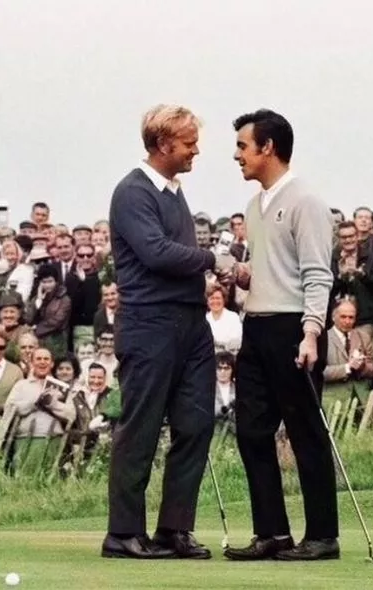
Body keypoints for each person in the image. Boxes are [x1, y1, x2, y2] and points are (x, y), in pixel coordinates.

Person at [103, 104, 232, 560]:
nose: (196, 149)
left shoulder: (173, 191)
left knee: (196, 425)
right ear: (162, 144)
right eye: (189, 142)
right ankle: (123, 533)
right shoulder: (132, 192)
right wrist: (214, 260)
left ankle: (174, 529)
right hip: (149, 325)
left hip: (189, 325)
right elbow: (157, 254)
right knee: (139, 429)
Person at [223, 109, 339, 562]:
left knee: (305, 432)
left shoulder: (306, 201)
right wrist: (247, 274)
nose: (237, 156)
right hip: (256, 327)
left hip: (294, 328)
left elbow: (317, 273)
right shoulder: (254, 207)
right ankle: (272, 532)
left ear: (267, 148)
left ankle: (323, 536)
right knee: (252, 431)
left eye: (242, 147)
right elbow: (276, 267)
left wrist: (311, 334)